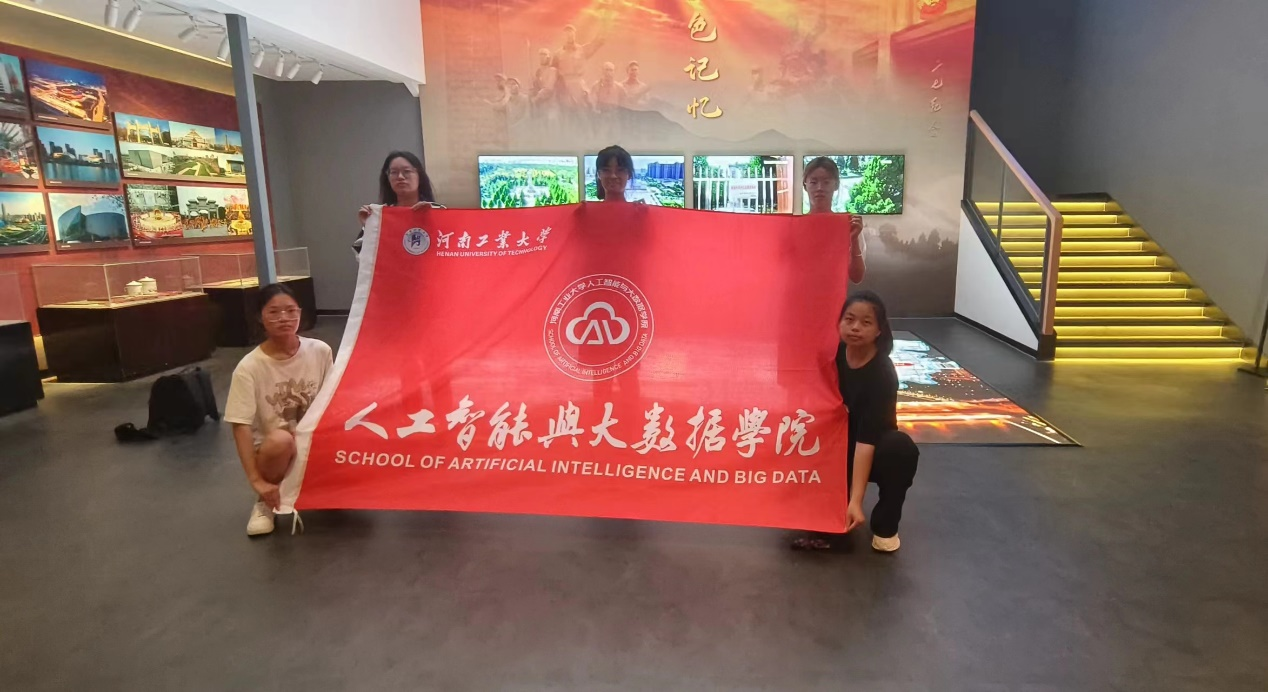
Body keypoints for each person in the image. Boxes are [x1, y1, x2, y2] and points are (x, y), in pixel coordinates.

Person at [793, 290, 919, 552]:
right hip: (838, 440)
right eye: (849, 319)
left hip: (873, 448)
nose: (855, 328)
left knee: (900, 448)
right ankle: (829, 505)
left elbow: (866, 441)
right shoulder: (834, 355)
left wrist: (855, 500)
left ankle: (885, 524)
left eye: (866, 322)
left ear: (879, 330)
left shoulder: (882, 374)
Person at [224, 283, 334, 537]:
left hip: (313, 442)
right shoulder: (249, 368)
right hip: (276, 451)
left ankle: (326, 488)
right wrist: (256, 481)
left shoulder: (320, 351)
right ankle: (266, 501)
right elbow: (240, 426)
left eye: (290, 310)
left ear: (300, 313)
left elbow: (332, 400)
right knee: (281, 440)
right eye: (274, 312)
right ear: (260, 317)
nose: (284, 318)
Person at [355, 151, 441, 255]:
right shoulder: (380, 216)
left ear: (419, 175)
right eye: (394, 172)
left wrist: (431, 218)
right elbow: (363, 258)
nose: (400, 176)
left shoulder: (439, 212)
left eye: (407, 171)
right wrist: (369, 227)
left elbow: (451, 251)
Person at [804, 156, 866, 283]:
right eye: (813, 182)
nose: (820, 188)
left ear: (836, 185)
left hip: (833, 293)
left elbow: (857, 277)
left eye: (826, 182)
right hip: (799, 293)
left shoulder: (848, 226)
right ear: (805, 185)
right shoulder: (794, 228)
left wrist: (853, 239)